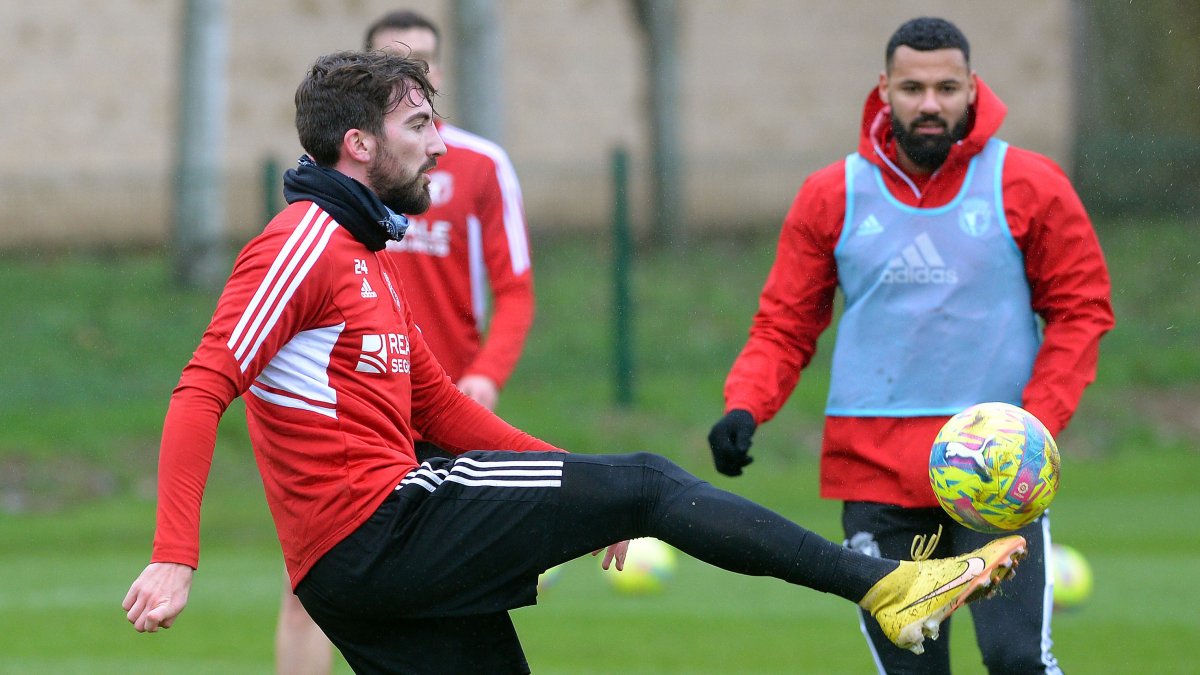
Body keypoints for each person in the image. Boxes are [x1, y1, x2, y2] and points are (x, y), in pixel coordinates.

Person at [123, 49, 1028, 675]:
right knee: (649, 481)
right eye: (420, 124)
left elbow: (441, 411)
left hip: (363, 571)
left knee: (621, 492)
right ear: (358, 144)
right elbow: (202, 387)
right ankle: (888, 586)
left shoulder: (366, 254)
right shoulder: (303, 242)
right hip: (377, 530)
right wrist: (174, 555)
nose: (439, 144)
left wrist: (573, 492)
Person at [708, 17, 1114, 675]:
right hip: (876, 470)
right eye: (913, 88)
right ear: (884, 89)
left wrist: (1035, 424)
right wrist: (745, 405)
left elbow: (1081, 309)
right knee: (913, 669)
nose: (930, 104)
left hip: (998, 471)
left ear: (972, 88)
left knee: (1017, 660)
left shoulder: (1029, 184)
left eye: (946, 88)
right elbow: (784, 324)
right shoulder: (831, 194)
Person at [274, 11, 538, 673]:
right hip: (356, 415)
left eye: (425, 59)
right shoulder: (334, 183)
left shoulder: (479, 166)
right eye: (398, 61)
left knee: (458, 594)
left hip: (446, 408)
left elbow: (516, 290)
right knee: (308, 593)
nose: (415, 70)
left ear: (439, 73)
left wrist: (487, 373)